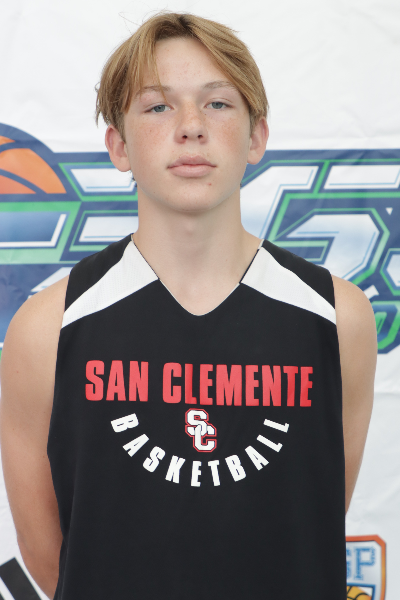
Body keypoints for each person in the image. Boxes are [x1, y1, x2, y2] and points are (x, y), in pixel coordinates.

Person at [0, 12, 377, 600]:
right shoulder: (48, 327)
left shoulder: (337, 318)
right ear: (118, 146)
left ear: (256, 137)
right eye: (158, 106)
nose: (191, 127)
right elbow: (54, 563)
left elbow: (314, 518)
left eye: (217, 103)